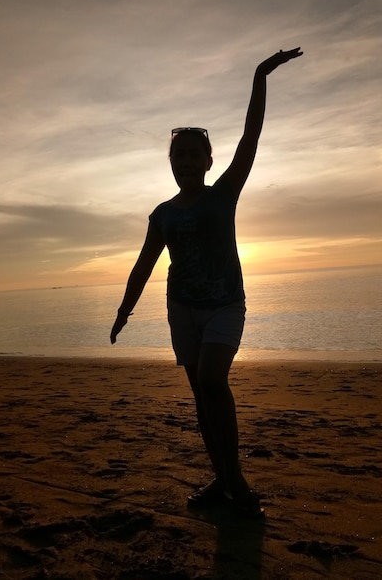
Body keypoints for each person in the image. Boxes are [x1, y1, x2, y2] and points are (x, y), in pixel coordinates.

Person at [110, 48, 302, 517]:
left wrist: (260, 76)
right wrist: (124, 310)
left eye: (196, 154)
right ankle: (222, 479)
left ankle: (234, 477)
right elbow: (143, 265)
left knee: (214, 379)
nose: (187, 161)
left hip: (224, 305)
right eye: (179, 155)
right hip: (182, 308)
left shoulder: (223, 195)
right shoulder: (162, 215)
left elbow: (251, 137)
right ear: (171, 162)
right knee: (201, 392)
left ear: (209, 161)